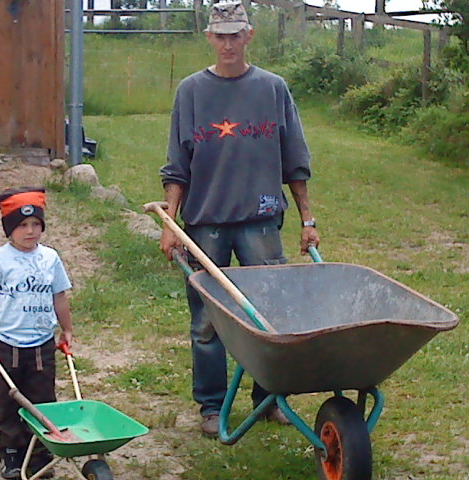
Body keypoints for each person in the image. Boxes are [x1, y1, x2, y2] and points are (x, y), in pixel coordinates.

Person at [159, 0, 320, 438]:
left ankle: (267, 398)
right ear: (209, 37)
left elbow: (295, 161)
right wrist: (169, 224)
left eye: (236, 35)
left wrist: (308, 219)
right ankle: (212, 407)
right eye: (220, 35)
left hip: (261, 221)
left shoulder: (272, 89)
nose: (228, 43)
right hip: (205, 224)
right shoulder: (191, 91)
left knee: (267, 316)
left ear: (248, 36)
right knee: (207, 322)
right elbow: (177, 164)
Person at [0, 186, 74, 479]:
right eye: (22, 225)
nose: (30, 231)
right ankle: (11, 452)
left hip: (42, 344)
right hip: (6, 344)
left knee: (42, 398)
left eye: (36, 225)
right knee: (6, 401)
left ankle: (39, 453)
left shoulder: (50, 258)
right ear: (9, 229)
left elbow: (59, 296)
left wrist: (67, 329)